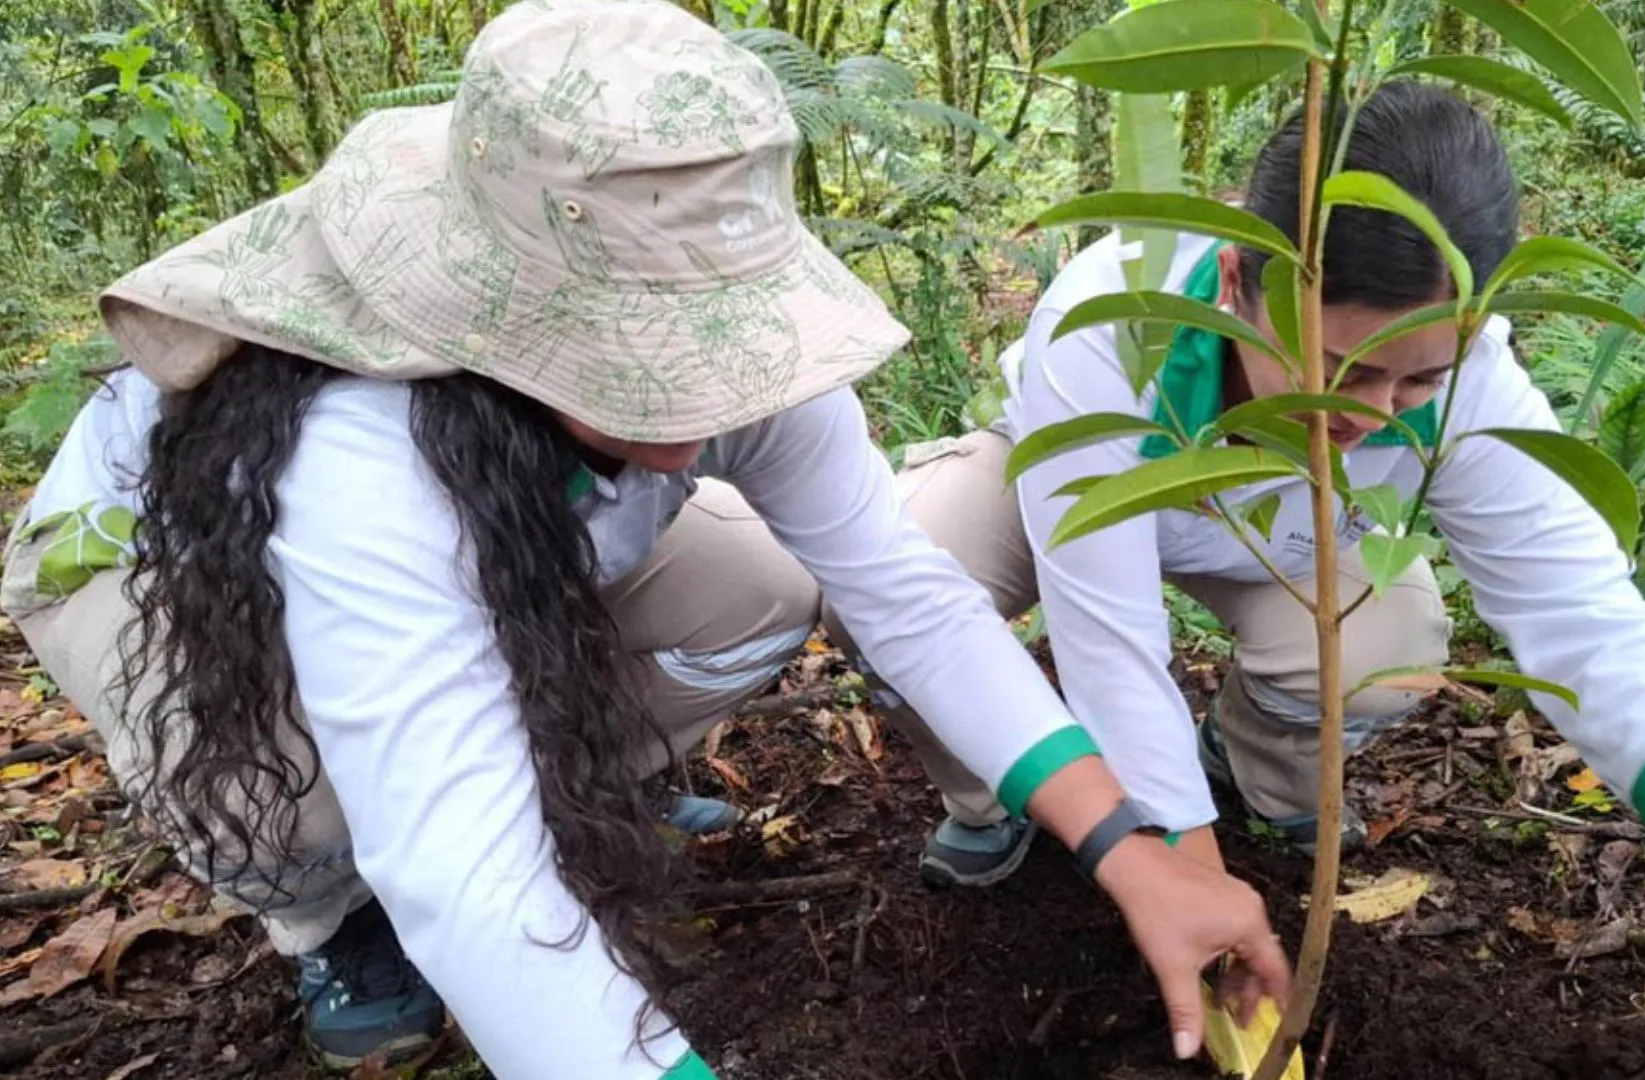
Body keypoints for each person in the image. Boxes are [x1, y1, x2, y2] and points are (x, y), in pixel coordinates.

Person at [0, 3, 1291, 1076]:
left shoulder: (747, 352)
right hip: (170, 585)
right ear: (503, 320)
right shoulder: (366, 446)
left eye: (708, 363)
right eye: (634, 371)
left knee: (754, 583)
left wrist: (1134, 850)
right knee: (280, 786)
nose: (691, 428)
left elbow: (912, 599)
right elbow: (459, 870)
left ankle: (570, 790)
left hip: (532, 538)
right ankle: (325, 918)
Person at [828, 83, 1645, 1074]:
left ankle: (1249, 768)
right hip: (1067, 503)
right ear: (1238, 280)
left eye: (1418, 379)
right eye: (1338, 371)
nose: (1370, 413)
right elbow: (1110, 638)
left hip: (1275, 549)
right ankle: (998, 800)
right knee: (916, 574)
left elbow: (1572, 597)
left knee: (1388, 653)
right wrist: (1184, 868)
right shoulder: (1116, 321)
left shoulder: (1469, 372)